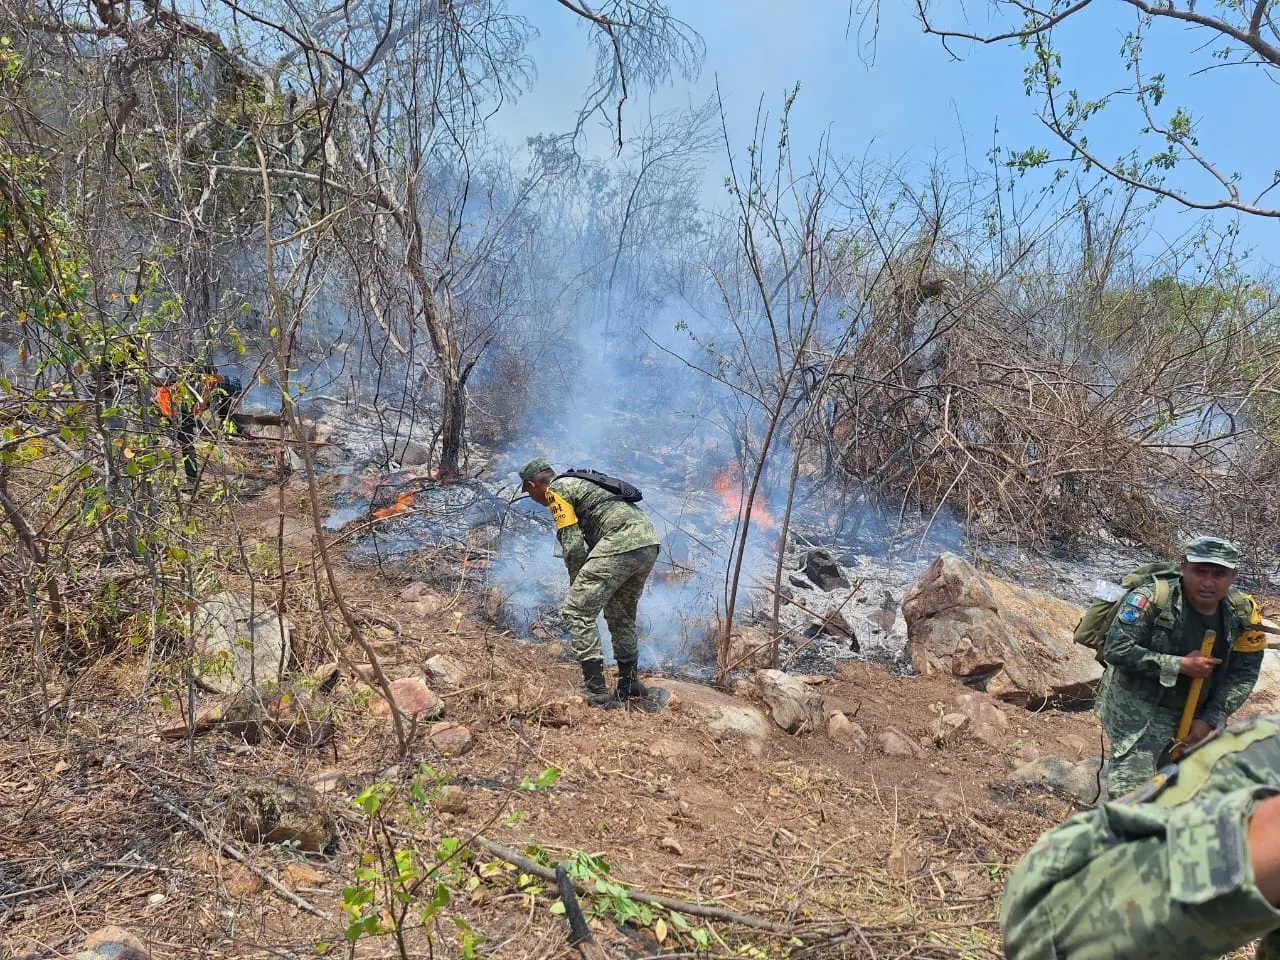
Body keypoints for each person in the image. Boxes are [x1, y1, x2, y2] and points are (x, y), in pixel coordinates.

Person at [1000, 714, 1280, 960]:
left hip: (1188, 713)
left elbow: (1243, 665)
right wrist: (1175, 664)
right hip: (1138, 710)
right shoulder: (1265, 759)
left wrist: (1210, 713)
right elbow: (1042, 927)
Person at [1099, 536, 1264, 799]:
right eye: (1200, 572)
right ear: (1183, 567)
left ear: (1233, 575)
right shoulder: (1151, 600)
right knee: (1130, 802)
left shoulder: (1242, 613)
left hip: (1196, 713)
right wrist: (1179, 665)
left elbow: (1242, 674)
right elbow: (1117, 649)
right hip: (1140, 713)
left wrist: (1209, 719)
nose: (1208, 583)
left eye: (1219, 574)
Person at [518, 458, 661, 707]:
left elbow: (572, 544)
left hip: (621, 541)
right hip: (648, 542)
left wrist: (577, 583)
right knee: (621, 614)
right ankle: (629, 685)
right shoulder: (581, 483)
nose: (535, 499)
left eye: (530, 494)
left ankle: (596, 690)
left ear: (532, 485)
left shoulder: (556, 490)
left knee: (576, 610)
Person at [156, 365, 244, 480]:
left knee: (181, 440)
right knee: (187, 445)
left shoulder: (201, 379)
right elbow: (224, 414)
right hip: (182, 412)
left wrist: (240, 429)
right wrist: (240, 430)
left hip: (171, 410)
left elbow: (223, 414)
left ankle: (153, 451)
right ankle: (191, 478)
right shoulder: (216, 389)